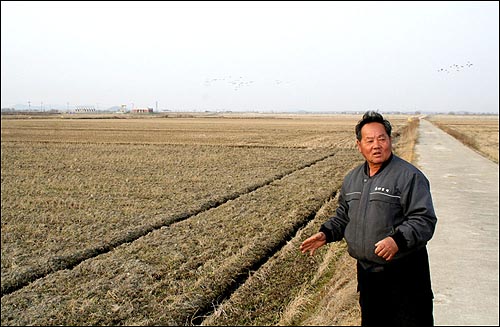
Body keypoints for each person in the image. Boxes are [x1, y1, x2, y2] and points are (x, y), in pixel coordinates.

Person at [300, 110, 437, 326]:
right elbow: (343, 216)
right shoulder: (353, 179)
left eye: (382, 139)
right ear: (359, 145)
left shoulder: (409, 176)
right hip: (368, 277)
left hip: (405, 277)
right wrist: (325, 234)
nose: (376, 145)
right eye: (370, 140)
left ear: (390, 140)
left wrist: (397, 241)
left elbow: (424, 219)